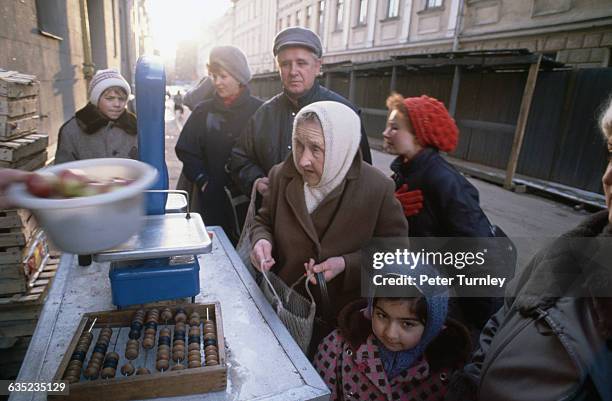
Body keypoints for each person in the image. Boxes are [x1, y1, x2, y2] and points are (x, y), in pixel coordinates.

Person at [446, 97, 612, 401]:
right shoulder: (566, 252)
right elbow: (499, 322)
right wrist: (469, 385)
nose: (607, 176)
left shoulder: (444, 181)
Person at [249, 101, 407, 353]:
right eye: (298, 144)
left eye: (316, 149)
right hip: (284, 310)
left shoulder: (377, 188)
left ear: (340, 147)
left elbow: (395, 253)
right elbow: (263, 221)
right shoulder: (281, 175)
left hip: (343, 327)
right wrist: (261, 241)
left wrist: (347, 264)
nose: (303, 160)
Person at [382, 93, 504, 337]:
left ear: (419, 135)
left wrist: (478, 324)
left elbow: (477, 250)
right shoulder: (405, 173)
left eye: (395, 128)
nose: (386, 133)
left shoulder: (444, 180)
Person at [230, 27, 372, 200]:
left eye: (301, 63)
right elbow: (239, 159)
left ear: (318, 66)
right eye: (285, 64)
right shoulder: (263, 115)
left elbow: (363, 175)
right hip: (276, 217)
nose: (293, 71)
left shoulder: (344, 113)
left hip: (330, 221)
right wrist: (256, 180)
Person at [313, 264, 471, 401]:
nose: (390, 333)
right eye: (382, 316)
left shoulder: (450, 369)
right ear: (371, 308)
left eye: (407, 324)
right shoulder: (336, 348)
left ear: (432, 327)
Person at [175, 46, 262, 241]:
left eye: (223, 76)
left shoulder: (260, 111)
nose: (217, 82)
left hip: (247, 201)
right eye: (213, 76)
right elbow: (185, 149)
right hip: (210, 200)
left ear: (239, 76)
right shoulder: (203, 111)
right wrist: (203, 181)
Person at [55, 69, 137, 164]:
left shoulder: (134, 126)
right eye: (110, 98)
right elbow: (63, 171)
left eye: (122, 99)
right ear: (96, 100)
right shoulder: (72, 130)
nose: (117, 104)